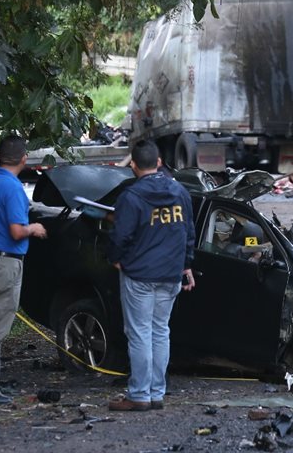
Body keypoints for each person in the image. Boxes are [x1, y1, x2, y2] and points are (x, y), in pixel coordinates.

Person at [106, 139, 196, 411]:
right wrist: (186, 264)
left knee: (140, 334)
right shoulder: (180, 191)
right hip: (170, 275)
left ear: (133, 165)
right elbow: (188, 231)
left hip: (140, 275)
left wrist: (115, 259)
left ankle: (139, 395)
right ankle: (157, 392)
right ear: (158, 162)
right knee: (160, 332)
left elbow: (120, 236)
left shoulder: (131, 197)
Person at [0, 135, 47, 406]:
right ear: (24, 159)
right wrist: (34, 229)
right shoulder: (13, 187)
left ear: (0, 156)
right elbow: (16, 231)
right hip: (4, 263)